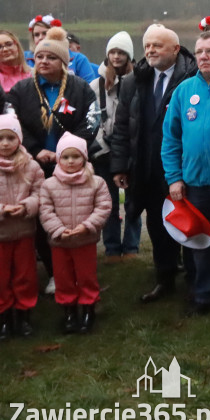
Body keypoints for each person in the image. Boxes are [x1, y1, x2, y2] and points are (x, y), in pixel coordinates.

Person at [7, 26, 99, 295]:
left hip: (71, 166)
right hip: (32, 167)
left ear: (63, 62)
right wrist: (35, 150)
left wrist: (66, 152)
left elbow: (92, 122)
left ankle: (80, 273)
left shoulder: (81, 89)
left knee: (72, 218)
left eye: (51, 58)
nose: (44, 62)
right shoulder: (22, 90)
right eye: (39, 58)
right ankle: (53, 272)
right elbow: (13, 126)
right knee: (41, 221)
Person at [110, 25, 197, 304]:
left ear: (175, 49)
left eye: (157, 46)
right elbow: (122, 127)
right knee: (158, 228)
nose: (150, 51)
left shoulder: (192, 78)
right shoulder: (133, 82)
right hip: (145, 167)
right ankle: (165, 278)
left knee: (190, 224)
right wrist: (120, 166)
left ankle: (197, 279)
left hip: (183, 167)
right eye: (147, 46)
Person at [161, 31, 210, 316]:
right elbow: (170, 139)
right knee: (202, 243)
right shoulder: (184, 91)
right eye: (199, 52)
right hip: (196, 185)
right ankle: (204, 295)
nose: (203, 57)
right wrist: (174, 178)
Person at [39, 133, 111, 334]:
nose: (71, 161)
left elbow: (103, 207)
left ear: (84, 158)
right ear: (59, 159)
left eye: (76, 156)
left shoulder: (96, 183)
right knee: (63, 278)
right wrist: (58, 230)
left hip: (84, 240)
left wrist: (88, 225)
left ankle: (89, 308)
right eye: (65, 157)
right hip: (60, 242)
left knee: (86, 275)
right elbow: (45, 210)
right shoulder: (49, 185)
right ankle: (69, 311)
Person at [89, 31, 139, 261]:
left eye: (121, 52)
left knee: (133, 202)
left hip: (130, 150)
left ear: (129, 56)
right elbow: (91, 121)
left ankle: (131, 246)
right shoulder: (95, 85)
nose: (117, 56)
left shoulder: (138, 82)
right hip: (104, 151)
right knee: (107, 202)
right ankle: (111, 247)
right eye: (113, 52)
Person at [0, 115, 45, 339]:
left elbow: (41, 193)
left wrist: (28, 205)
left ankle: (24, 315)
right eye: (0, 139)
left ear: (19, 139)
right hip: (1, 234)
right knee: (1, 277)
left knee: (25, 275)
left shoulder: (31, 166)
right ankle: (4, 318)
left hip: (24, 232)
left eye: (10, 137)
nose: (5, 143)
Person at [25, 15, 98, 82]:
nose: (40, 38)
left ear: (56, 34)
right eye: (36, 35)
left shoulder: (79, 59)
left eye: (45, 33)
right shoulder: (25, 58)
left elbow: (89, 88)